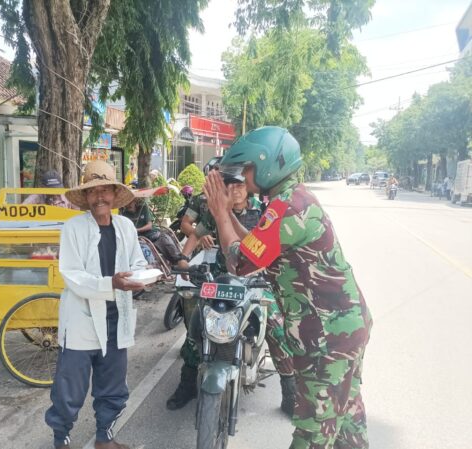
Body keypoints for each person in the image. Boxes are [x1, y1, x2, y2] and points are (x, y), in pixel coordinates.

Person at [203, 126, 372, 449]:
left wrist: (221, 213)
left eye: (246, 169)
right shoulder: (288, 200)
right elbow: (253, 248)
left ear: (268, 165)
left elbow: (239, 263)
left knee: (311, 434)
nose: (243, 179)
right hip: (340, 332)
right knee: (346, 425)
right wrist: (226, 215)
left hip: (327, 340)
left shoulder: (289, 208)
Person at [166, 172, 296, 415]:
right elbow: (194, 234)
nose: (235, 189)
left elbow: (270, 248)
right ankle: (187, 384)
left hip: (256, 280)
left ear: (249, 188)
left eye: (240, 184)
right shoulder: (215, 210)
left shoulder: (263, 211)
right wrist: (184, 259)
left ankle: (290, 390)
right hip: (220, 280)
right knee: (198, 327)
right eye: (230, 185)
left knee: (277, 328)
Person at [45, 161, 148, 449]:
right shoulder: (73, 228)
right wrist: (111, 284)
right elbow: (73, 275)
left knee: (113, 386)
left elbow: (137, 262)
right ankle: (61, 440)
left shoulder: (126, 226)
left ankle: (105, 438)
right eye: (93, 191)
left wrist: (143, 276)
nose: (99, 197)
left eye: (105, 190)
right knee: (70, 389)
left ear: (115, 194)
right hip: (81, 319)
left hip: (118, 317)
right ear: (86, 198)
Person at [120, 197, 185, 265]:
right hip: (140, 239)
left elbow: (149, 226)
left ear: (135, 201)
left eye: (131, 201)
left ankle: (181, 264)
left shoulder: (143, 208)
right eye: (127, 202)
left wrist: (136, 230)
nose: (129, 204)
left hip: (154, 234)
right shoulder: (124, 215)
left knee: (175, 254)